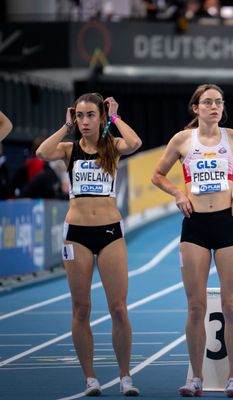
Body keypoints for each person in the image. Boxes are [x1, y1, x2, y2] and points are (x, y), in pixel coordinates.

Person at [151, 84, 233, 398]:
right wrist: (177, 193)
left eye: (218, 102)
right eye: (207, 102)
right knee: (195, 306)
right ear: (196, 108)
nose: (213, 106)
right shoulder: (183, 140)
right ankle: (196, 378)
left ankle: (232, 378)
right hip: (195, 227)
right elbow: (157, 175)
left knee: (231, 304)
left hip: (228, 225)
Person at [36, 93, 142, 396]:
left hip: (109, 232)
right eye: (79, 116)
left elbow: (135, 143)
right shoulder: (69, 150)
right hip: (76, 235)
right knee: (81, 309)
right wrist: (64, 126)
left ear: (101, 117)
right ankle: (90, 378)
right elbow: (42, 152)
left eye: (90, 115)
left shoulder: (113, 148)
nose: (84, 121)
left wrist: (116, 117)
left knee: (118, 308)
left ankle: (125, 376)